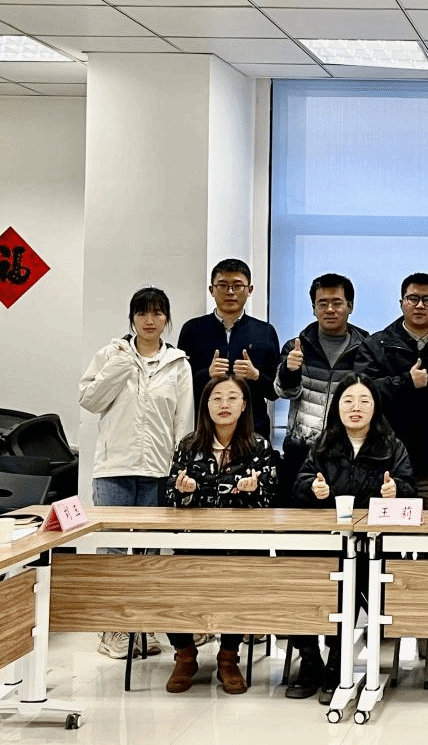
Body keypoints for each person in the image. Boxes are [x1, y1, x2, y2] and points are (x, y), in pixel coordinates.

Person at [80, 285, 193, 659]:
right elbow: (90, 400)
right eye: (142, 312)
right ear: (131, 318)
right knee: (113, 549)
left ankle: (142, 625)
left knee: (148, 550)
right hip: (114, 467)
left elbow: (183, 423)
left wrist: (179, 468)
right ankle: (112, 629)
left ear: (166, 319)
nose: (149, 320)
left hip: (158, 470)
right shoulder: (112, 354)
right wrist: (119, 367)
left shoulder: (178, 363)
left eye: (157, 313)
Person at [293, 375, 416, 702]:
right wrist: (313, 489)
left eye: (364, 401)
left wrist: (396, 491)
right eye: (348, 401)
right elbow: (299, 485)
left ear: (375, 407)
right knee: (297, 579)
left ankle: (337, 661)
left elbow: (410, 490)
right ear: (337, 407)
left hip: (373, 548)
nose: (356, 408)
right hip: (328, 544)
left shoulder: (392, 446)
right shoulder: (323, 444)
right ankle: (309, 659)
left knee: (354, 581)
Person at [161, 375, 279, 695]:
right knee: (167, 580)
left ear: (244, 405)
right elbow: (170, 498)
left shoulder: (259, 447)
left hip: (240, 545)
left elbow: (270, 500)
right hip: (193, 543)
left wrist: (252, 493)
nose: (224, 404)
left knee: (241, 581)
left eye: (232, 398)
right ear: (206, 406)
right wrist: (184, 492)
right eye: (216, 398)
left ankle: (228, 657)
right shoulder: (188, 446)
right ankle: (185, 655)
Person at [356, 272, 428, 508]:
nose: (420, 305)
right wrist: (406, 382)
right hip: (388, 462)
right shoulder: (376, 345)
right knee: (387, 527)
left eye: (427, 299)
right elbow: (363, 394)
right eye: (413, 298)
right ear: (401, 303)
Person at [275, 273, 369, 504]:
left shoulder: (366, 348)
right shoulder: (296, 346)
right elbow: (285, 393)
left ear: (350, 306)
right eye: (322, 303)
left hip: (347, 451)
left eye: (337, 303)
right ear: (313, 308)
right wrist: (290, 370)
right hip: (301, 450)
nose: (330, 310)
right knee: (300, 517)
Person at [176, 258, 281, 441]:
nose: (230, 292)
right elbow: (179, 387)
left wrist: (256, 375)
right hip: (204, 431)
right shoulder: (192, 330)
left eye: (237, 286)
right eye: (223, 285)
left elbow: (275, 392)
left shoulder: (265, 332)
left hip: (252, 431)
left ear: (249, 290)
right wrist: (206, 374)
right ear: (212, 290)